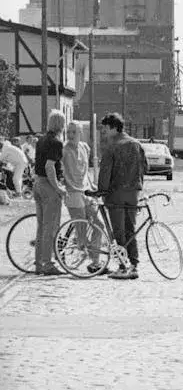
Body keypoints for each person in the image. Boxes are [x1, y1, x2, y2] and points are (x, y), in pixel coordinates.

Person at [98, 112, 148, 280]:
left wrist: (101, 191)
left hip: (116, 193)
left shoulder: (112, 146)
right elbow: (145, 168)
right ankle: (134, 265)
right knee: (130, 229)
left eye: (104, 128)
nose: (102, 131)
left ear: (113, 127)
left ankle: (122, 266)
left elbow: (105, 172)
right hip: (133, 192)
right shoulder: (136, 144)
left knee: (118, 231)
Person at [63, 121, 104, 273]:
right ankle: (69, 248)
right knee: (81, 233)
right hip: (73, 193)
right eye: (69, 132)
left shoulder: (84, 147)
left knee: (99, 225)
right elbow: (64, 172)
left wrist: (91, 184)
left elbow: (85, 169)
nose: (71, 135)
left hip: (86, 191)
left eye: (74, 132)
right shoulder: (64, 150)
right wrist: (70, 186)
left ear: (80, 133)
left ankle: (95, 262)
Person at [33, 111, 68, 276]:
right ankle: (48, 264)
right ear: (61, 124)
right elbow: (49, 166)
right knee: (50, 228)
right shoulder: (56, 143)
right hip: (48, 186)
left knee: (41, 227)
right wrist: (58, 187)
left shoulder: (41, 140)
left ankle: (38, 263)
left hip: (37, 183)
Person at [0, 137, 26, 205]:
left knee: (16, 179)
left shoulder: (5, 149)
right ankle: (18, 192)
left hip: (20, 163)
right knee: (16, 178)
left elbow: (1, 160)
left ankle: (19, 194)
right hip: (19, 162)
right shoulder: (8, 147)